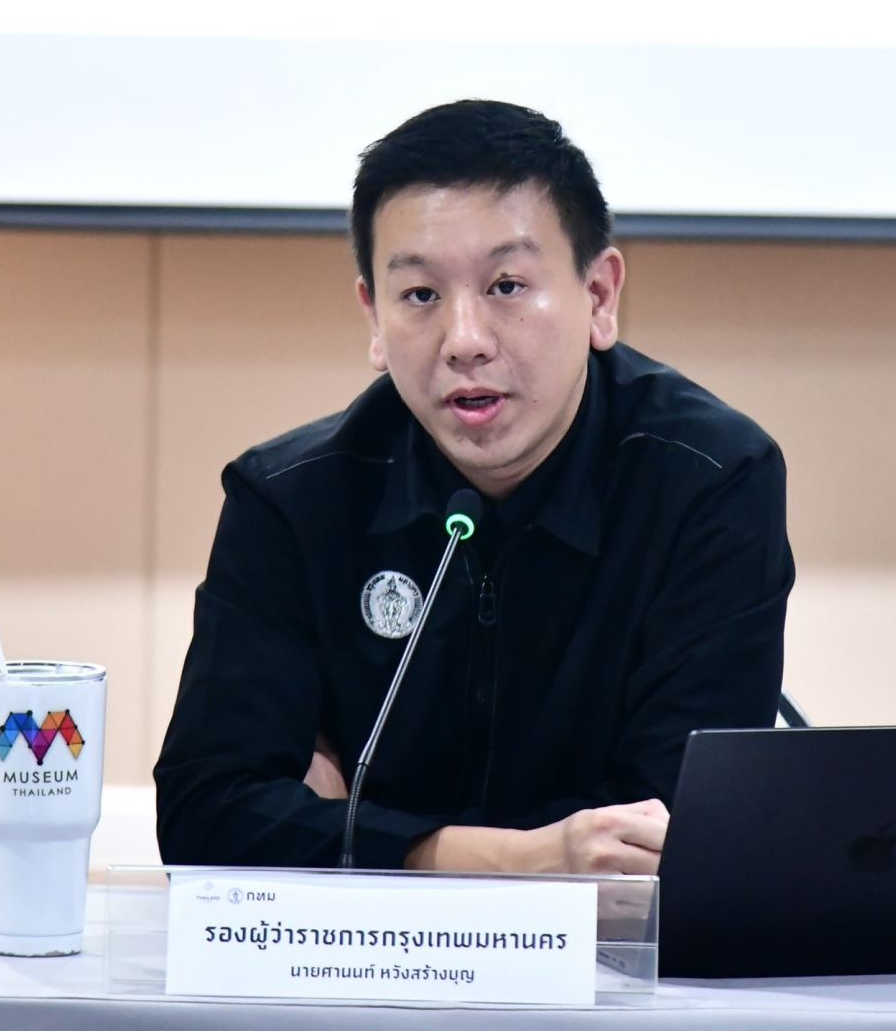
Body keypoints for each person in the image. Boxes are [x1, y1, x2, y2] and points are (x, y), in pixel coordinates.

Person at [154, 99, 794, 881]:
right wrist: (521, 858)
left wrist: (349, 832)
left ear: (599, 296)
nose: (464, 341)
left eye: (507, 285)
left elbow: (670, 838)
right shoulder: (292, 501)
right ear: (374, 318)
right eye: (421, 296)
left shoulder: (707, 481)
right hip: (364, 956)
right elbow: (206, 817)